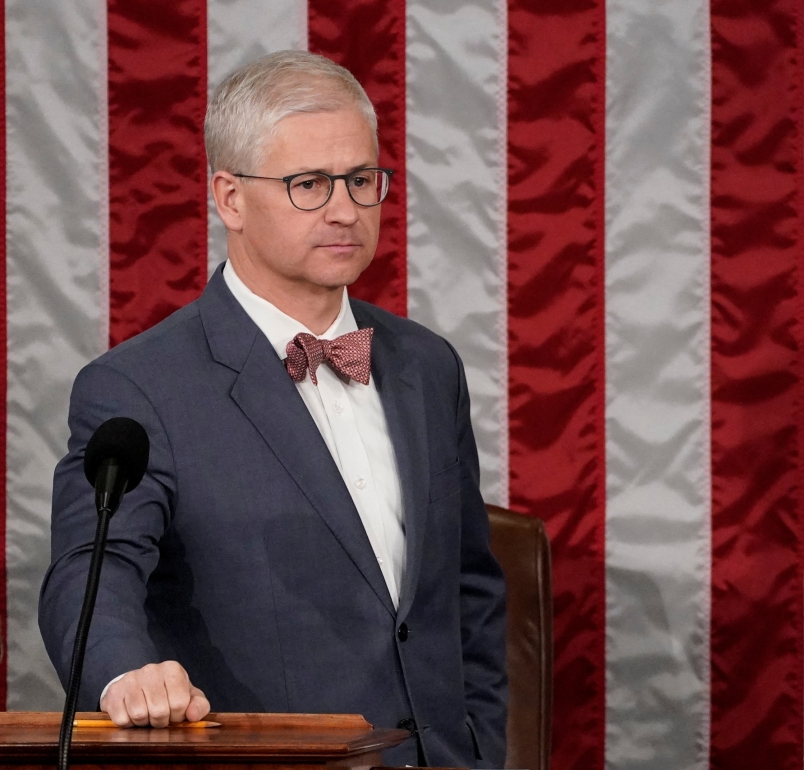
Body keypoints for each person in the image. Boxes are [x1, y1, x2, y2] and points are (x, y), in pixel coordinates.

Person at [38, 50, 507, 769]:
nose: (345, 209)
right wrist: (125, 672)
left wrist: (481, 741)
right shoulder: (138, 386)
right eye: (309, 185)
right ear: (229, 198)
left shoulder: (427, 365)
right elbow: (90, 572)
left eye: (359, 180)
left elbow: (470, 588)